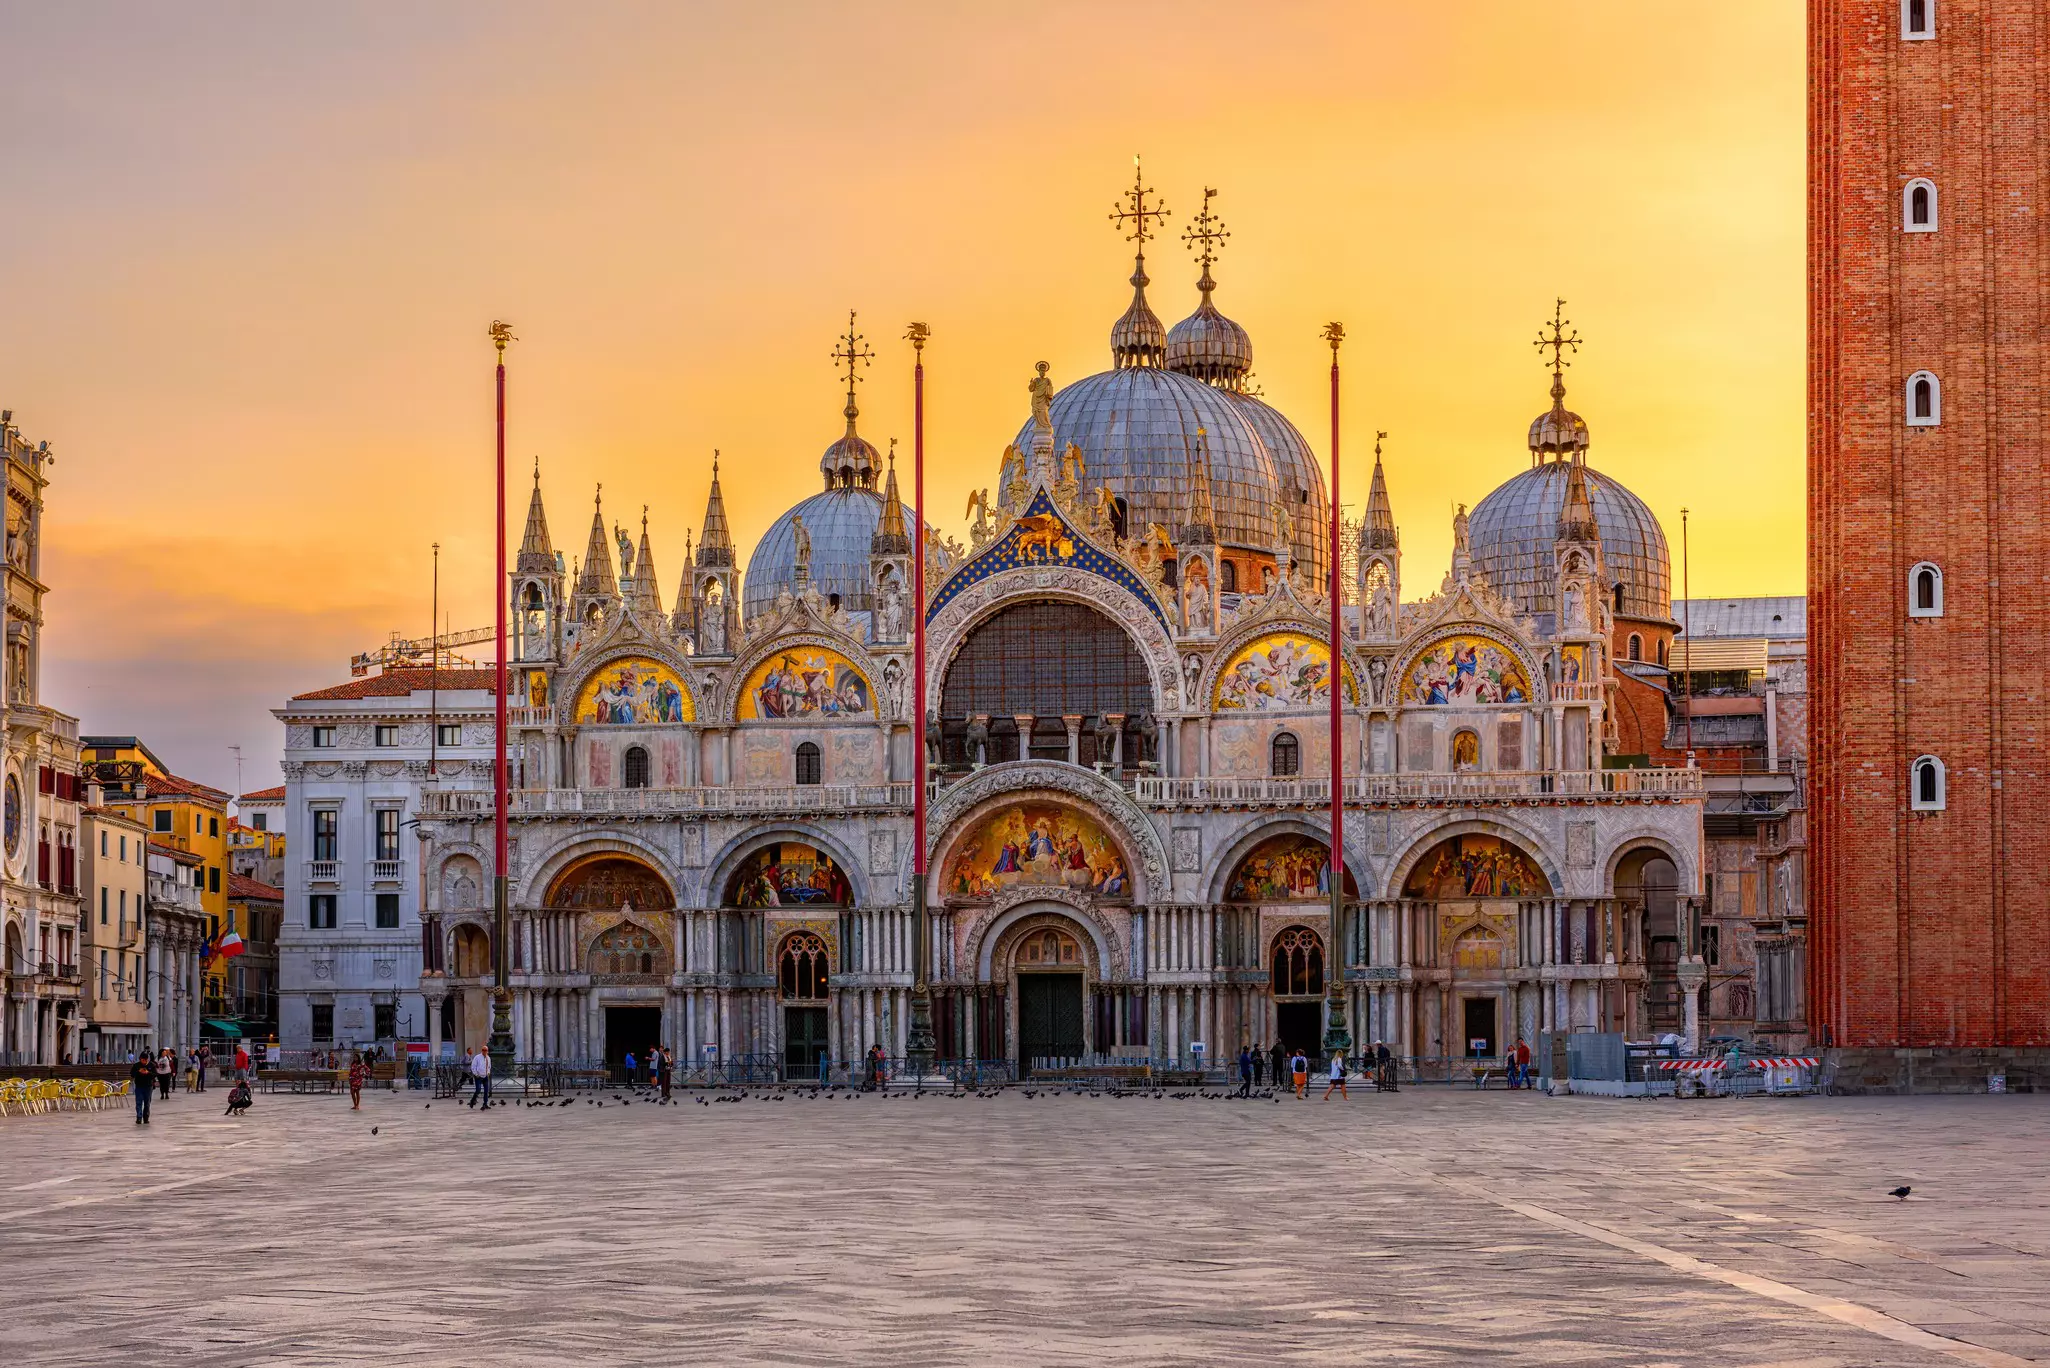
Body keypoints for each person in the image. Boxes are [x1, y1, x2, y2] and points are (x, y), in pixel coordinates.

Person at [130, 1050, 156, 1125]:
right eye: (142, 1060)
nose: (144, 1061)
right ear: (140, 1059)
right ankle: (139, 1117)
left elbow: (155, 1074)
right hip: (139, 1086)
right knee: (138, 1102)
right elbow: (132, 1074)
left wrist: (148, 1072)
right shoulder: (136, 1065)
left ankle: (146, 1117)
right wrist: (138, 1071)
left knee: (147, 1103)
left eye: (145, 1060)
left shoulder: (152, 1065)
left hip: (148, 1086)